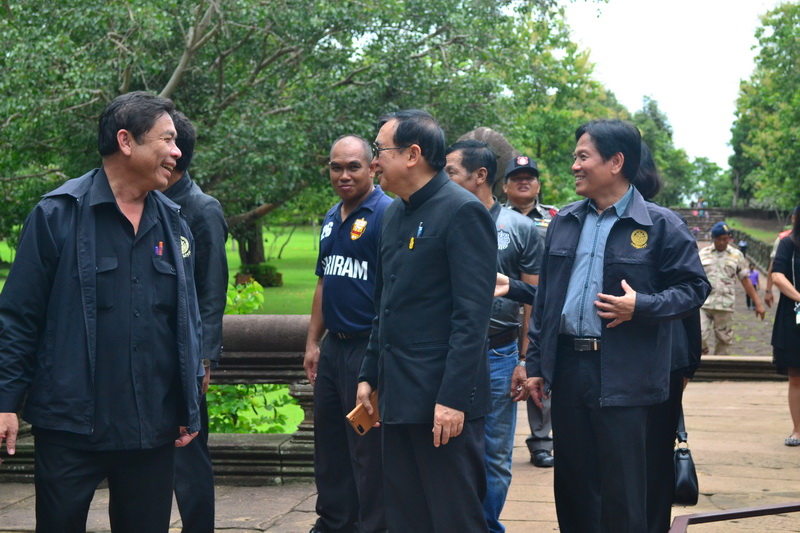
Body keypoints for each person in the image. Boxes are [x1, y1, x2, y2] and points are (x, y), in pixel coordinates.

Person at [0, 91, 202, 532]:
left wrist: (189, 404)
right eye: (166, 140)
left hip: (151, 425)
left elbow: (184, 322)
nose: (176, 151)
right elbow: (19, 317)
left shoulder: (174, 222)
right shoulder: (56, 215)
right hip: (71, 423)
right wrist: (5, 402)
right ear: (126, 141)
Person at [525, 119, 710, 533]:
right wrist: (536, 364)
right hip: (570, 372)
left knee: (624, 490)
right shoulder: (565, 221)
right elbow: (547, 301)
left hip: (628, 376)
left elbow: (695, 287)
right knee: (573, 488)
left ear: (616, 162)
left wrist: (640, 306)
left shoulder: (661, 224)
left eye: (583, 156)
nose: (574, 165)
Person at [356, 110, 496, 532]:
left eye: (379, 151)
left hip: (443, 401)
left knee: (453, 517)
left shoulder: (462, 211)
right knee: (406, 516)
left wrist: (452, 398)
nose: (374, 161)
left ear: (413, 154)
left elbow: (472, 318)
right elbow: (385, 303)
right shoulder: (394, 213)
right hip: (399, 395)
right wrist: (369, 374)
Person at [444, 140, 541, 533]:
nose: (443, 178)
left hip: (500, 353)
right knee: (449, 446)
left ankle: (486, 526)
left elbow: (536, 300)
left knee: (495, 454)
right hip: (451, 351)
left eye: (450, 171)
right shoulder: (443, 218)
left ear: (480, 176)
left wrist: (524, 360)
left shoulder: (519, 228)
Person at [304, 135, 391, 533]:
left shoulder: (386, 214)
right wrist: (311, 342)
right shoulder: (330, 216)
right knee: (330, 447)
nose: (343, 175)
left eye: (353, 166)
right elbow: (325, 282)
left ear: (372, 167)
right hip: (333, 350)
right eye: (336, 167)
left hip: (366, 349)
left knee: (368, 451)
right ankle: (334, 522)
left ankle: (371, 526)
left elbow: (393, 294)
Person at [163, 111, 229, 533]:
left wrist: (205, 359)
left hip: (187, 354)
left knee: (189, 460)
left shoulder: (201, 209)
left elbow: (212, 290)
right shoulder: (149, 200)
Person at [634, 142, 703, 533]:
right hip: (670, 357)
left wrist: (687, 361)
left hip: (665, 355)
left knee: (654, 453)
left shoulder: (662, 224)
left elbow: (691, 294)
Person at [502, 154, 556, 468]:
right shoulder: (490, 217)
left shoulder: (555, 218)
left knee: (539, 371)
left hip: (540, 306)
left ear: (537, 185)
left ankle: (541, 441)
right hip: (504, 306)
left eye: (530, 177)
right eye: (517, 177)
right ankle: (497, 442)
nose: (524, 181)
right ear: (505, 185)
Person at [699, 221, 766, 355]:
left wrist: (758, 303)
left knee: (724, 341)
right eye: (719, 239)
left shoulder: (736, 255)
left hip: (725, 305)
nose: (723, 242)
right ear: (713, 238)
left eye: (726, 239)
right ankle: (702, 363)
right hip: (704, 304)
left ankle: (720, 372)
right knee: (698, 335)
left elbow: (745, 280)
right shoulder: (703, 254)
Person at [769, 202, 800, 447]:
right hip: (794, 315)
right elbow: (777, 275)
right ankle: (798, 430)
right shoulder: (788, 243)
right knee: (796, 375)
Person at [765, 207, 796, 308]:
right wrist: (768, 290)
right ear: (793, 218)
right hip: (788, 287)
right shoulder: (784, 239)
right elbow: (773, 265)